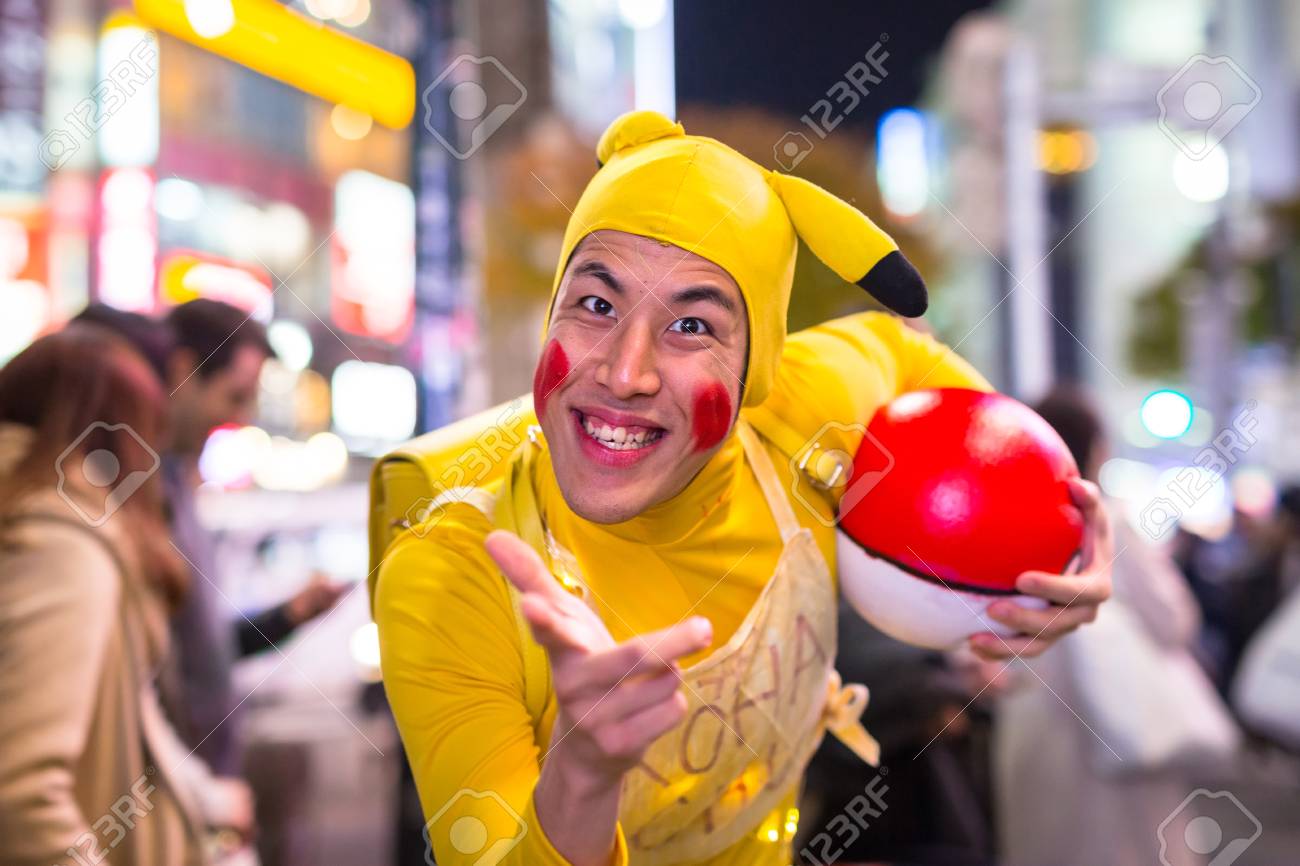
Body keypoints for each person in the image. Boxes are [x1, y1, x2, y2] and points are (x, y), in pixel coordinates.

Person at [373, 111, 1113, 866]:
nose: (625, 373)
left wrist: (1053, 527)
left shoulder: (802, 411)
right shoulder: (449, 575)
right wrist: (583, 775)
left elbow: (906, 353)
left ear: (755, 367)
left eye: (692, 325)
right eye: (596, 305)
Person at [0, 325, 245, 866]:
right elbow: (21, 796)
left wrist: (208, 797)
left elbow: (134, 719)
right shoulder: (62, 541)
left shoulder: (35, 522)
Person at [74, 300, 345, 775]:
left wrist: (287, 616)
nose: (240, 420)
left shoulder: (171, 487)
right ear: (182, 370)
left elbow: (199, 654)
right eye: (235, 396)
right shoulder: (124, 495)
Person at [993, 386, 1217, 866]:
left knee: (1046, 841)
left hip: (1032, 720)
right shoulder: (1108, 522)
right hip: (1116, 726)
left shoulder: (1004, 522)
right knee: (1129, 846)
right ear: (1095, 450)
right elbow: (1175, 621)